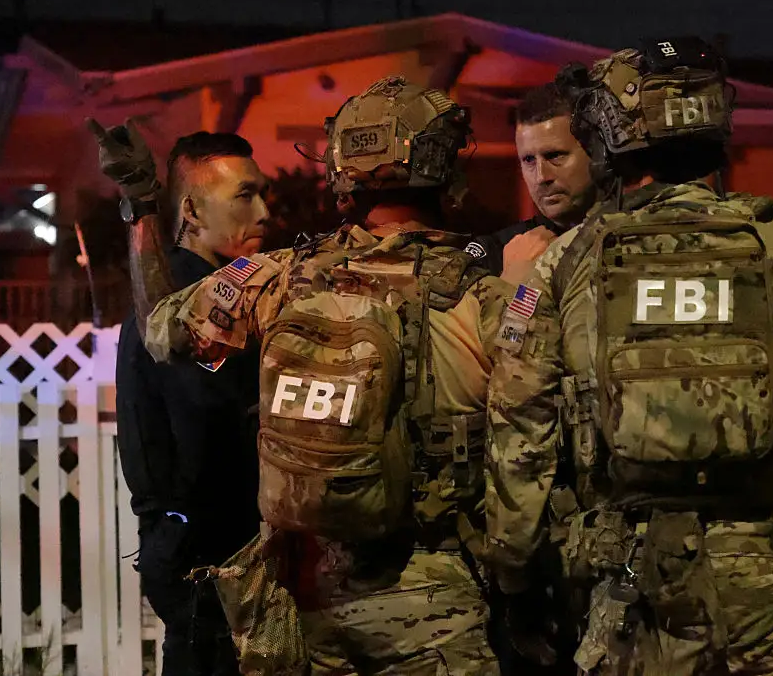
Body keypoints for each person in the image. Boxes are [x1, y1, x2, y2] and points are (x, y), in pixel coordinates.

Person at [482, 38, 773, 675]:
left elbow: (518, 433)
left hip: (629, 580)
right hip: (765, 576)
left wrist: (513, 575)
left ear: (612, 134)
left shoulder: (566, 261)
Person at [99, 77, 508, 675]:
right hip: (436, 591)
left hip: (311, 596)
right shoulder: (490, 295)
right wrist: (518, 580)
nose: (263, 211)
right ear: (445, 168)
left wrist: (140, 208)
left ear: (341, 170)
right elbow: (528, 456)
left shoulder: (279, 278)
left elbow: (161, 326)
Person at [94, 124, 270, 676]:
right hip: (209, 555)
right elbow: (214, 422)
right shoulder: (191, 306)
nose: (263, 212)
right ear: (191, 212)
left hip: (202, 548)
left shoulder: (209, 292)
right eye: (245, 195)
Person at [465, 82, 596, 283]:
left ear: (597, 154)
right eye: (528, 160)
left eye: (555, 155)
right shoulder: (495, 254)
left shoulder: (637, 234)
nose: (542, 177)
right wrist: (512, 278)